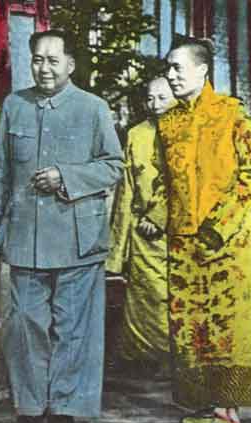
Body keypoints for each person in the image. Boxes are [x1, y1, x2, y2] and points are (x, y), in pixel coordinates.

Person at [0, 29, 123, 423]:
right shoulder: (14, 106)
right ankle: (29, 411)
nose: (44, 68)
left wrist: (66, 176)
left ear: (70, 65)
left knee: (74, 329)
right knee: (25, 325)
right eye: (37, 60)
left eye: (52, 60)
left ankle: (65, 412)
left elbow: (113, 166)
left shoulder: (93, 108)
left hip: (78, 240)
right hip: (24, 236)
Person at [158, 34, 251, 423]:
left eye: (177, 67)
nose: (170, 75)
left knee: (228, 329)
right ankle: (204, 407)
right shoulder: (166, 122)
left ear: (203, 70)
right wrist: (161, 219)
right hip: (181, 245)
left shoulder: (232, 115)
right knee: (188, 329)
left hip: (224, 245)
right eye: (167, 68)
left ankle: (231, 413)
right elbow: (162, 180)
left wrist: (220, 225)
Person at [106, 76, 176, 372]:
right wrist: (116, 250)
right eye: (150, 98)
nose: (155, 104)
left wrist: (159, 216)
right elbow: (126, 190)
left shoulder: (187, 131)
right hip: (141, 233)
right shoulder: (136, 134)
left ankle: (174, 359)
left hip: (175, 231)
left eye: (163, 97)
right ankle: (142, 358)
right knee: (143, 298)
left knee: (171, 298)